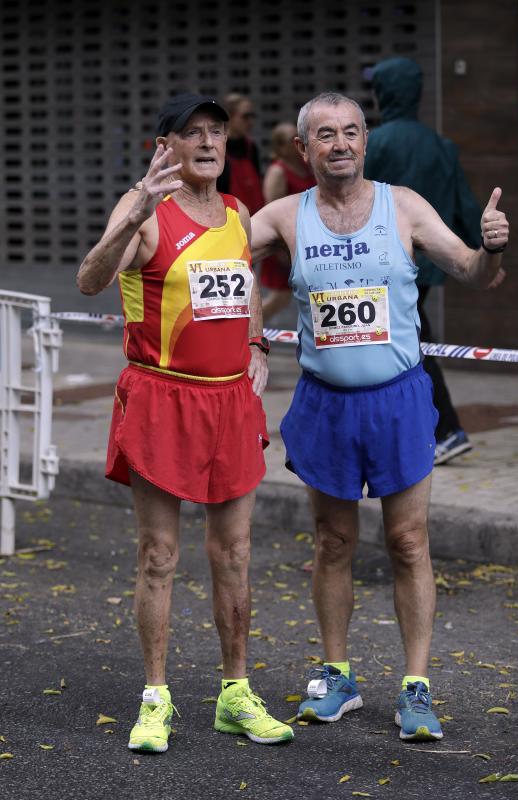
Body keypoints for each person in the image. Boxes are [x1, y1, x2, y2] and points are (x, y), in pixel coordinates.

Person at [251, 92, 508, 741]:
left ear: (364, 142)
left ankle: (415, 690)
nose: (338, 144)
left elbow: (473, 273)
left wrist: (492, 247)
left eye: (349, 133)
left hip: (396, 400)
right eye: (324, 135)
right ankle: (337, 678)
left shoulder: (403, 206)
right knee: (332, 543)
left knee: (407, 542)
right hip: (323, 404)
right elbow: (214, 253)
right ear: (303, 149)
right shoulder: (283, 213)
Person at [77, 93, 293, 752]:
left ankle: (234, 694)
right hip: (162, 396)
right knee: (159, 556)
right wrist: (131, 215)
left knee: (233, 553)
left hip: (228, 402)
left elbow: (245, 287)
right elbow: (89, 279)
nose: (206, 143)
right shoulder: (143, 208)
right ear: (163, 148)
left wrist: (256, 345)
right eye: (190, 133)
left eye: (215, 133)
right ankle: (155, 698)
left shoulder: (236, 212)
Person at [364, 57, 495, 465]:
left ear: (383, 93)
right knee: (409, 343)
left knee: (407, 348)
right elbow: (466, 203)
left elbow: (351, 200)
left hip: (376, 265)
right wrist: (486, 255)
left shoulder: (375, 144)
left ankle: (446, 428)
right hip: (426, 264)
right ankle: (430, 429)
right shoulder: (441, 145)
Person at [261, 122, 316, 322]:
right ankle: (243, 331)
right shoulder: (278, 171)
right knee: (280, 298)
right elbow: (272, 211)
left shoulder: (306, 166)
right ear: (280, 147)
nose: (298, 142)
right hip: (286, 243)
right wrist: (283, 247)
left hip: (308, 240)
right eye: (291, 139)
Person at [217, 93, 264, 217]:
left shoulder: (251, 147)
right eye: (245, 116)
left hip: (256, 217)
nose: (250, 122)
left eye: (252, 116)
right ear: (229, 117)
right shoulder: (218, 149)